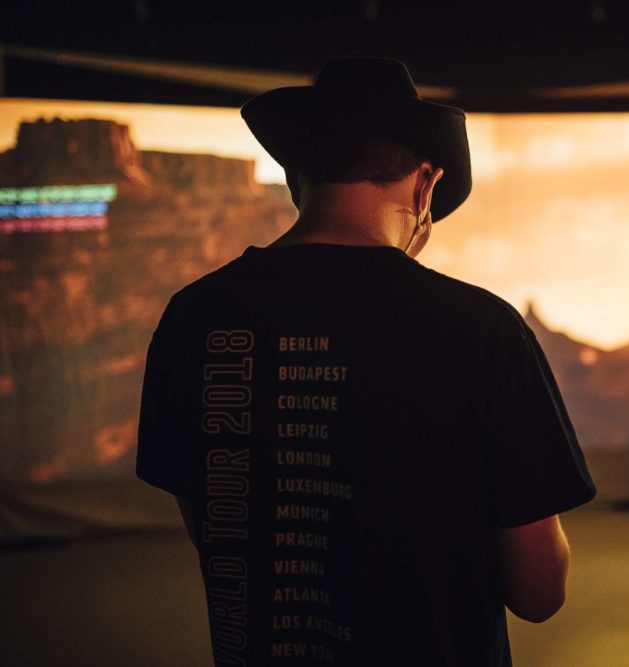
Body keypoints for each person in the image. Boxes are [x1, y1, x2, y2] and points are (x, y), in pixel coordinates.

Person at [135, 56, 596, 667]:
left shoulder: (193, 317)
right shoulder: (483, 331)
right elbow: (539, 592)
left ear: (297, 176)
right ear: (426, 185)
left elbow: (217, 532)